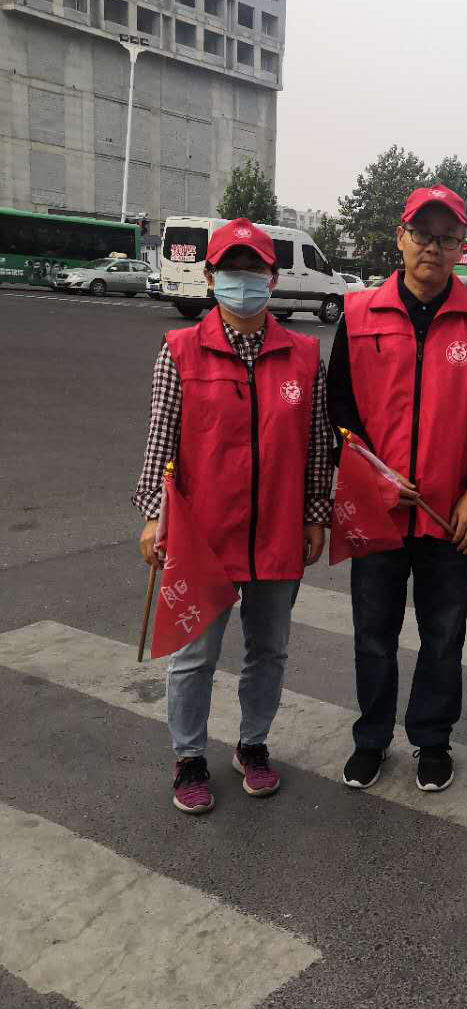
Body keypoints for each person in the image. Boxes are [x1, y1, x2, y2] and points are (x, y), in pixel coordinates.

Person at [133, 218, 333, 814]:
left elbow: (317, 445)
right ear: (210, 275)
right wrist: (154, 517)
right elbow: (161, 441)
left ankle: (253, 744)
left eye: (253, 270)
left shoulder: (303, 355)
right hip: (203, 538)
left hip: (277, 533)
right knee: (194, 656)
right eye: (230, 270)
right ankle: (189, 757)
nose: (242, 281)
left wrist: (315, 515)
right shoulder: (180, 351)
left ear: (272, 279)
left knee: (268, 652)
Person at [326, 185, 467, 794]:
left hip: (449, 512)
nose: (433, 247)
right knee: (373, 634)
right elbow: (338, 411)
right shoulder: (358, 314)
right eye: (423, 234)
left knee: (444, 634)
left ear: (462, 248)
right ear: (401, 238)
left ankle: (433, 740)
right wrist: (372, 478)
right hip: (378, 510)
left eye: (447, 238)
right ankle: (372, 738)